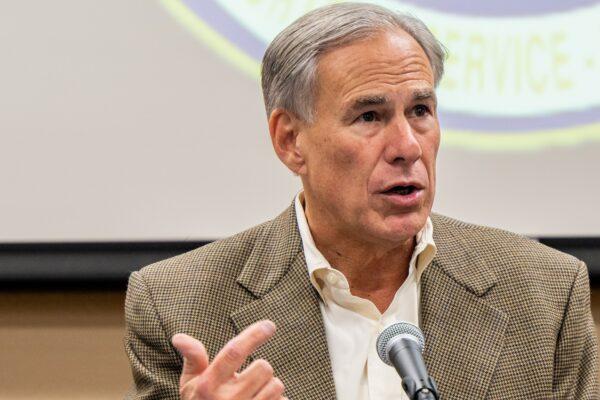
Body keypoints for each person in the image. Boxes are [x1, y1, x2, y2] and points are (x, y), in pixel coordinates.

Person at [124, 3, 598, 399]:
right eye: (370, 116)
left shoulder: (546, 295)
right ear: (290, 140)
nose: (408, 146)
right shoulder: (179, 307)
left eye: (420, 111)